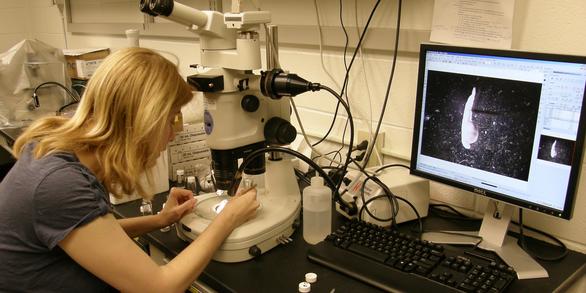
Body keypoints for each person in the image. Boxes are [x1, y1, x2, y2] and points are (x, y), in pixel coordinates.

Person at [0, 47, 259, 292]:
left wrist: (159, 220)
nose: (172, 135)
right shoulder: (59, 184)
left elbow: (91, 235)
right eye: (170, 120)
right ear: (142, 121)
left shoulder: (63, 147)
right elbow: (161, 287)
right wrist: (229, 218)